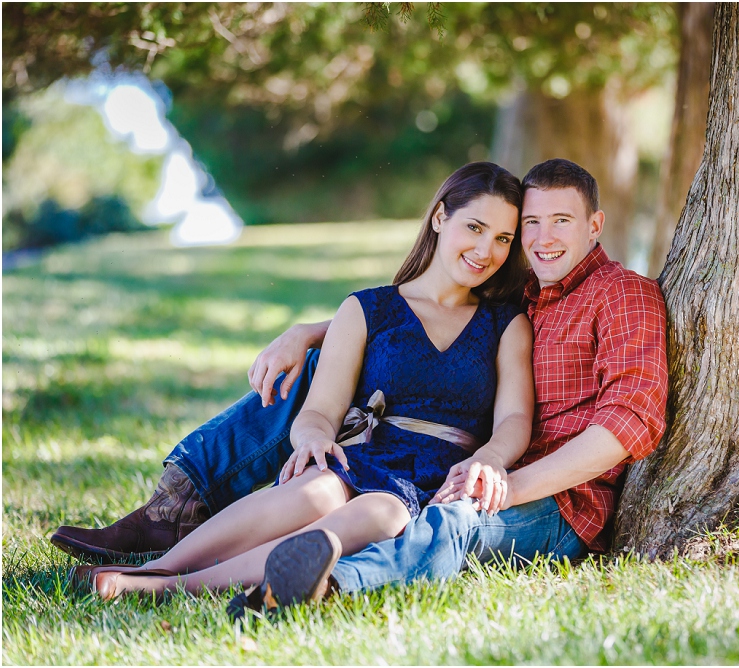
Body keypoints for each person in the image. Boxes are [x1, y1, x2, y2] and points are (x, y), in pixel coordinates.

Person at [54, 159, 668, 612]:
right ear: (439, 217)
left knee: (389, 514)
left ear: (594, 225)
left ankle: (199, 585)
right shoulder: (498, 299)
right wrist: (317, 355)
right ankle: (165, 541)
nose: (500, 247)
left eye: (507, 237)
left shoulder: (540, 310)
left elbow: (555, 420)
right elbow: (368, 354)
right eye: (505, 227)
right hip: (383, 452)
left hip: (463, 479)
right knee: (317, 488)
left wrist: (491, 467)